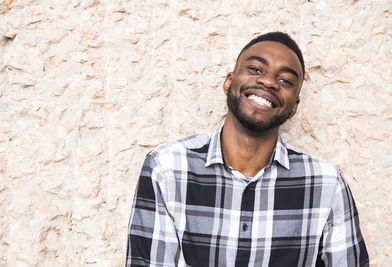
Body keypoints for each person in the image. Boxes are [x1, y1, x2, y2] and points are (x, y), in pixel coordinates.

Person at [126, 32, 369, 267]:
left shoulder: (326, 184)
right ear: (229, 81)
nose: (269, 81)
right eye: (255, 69)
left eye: (285, 81)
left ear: (294, 106)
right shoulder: (167, 168)